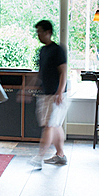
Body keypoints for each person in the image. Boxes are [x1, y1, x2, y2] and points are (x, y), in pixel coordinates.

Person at [30, 20, 69, 168]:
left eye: (40, 31)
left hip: (56, 95)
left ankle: (39, 158)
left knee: (49, 126)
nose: (38, 34)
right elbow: (41, 73)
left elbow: (63, 72)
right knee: (56, 125)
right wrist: (28, 88)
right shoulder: (43, 51)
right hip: (46, 94)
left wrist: (60, 92)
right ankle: (60, 155)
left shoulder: (58, 50)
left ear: (48, 32)